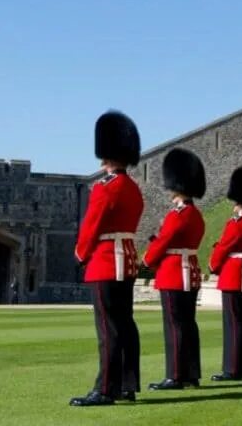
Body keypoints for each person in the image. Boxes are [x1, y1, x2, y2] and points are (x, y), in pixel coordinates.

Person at [69, 110, 145, 407]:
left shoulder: (105, 189)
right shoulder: (134, 189)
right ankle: (127, 384)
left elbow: (91, 227)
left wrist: (79, 254)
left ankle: (105, 388)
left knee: (107, 328)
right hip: (126, 260)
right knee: (125, 324)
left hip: (104, 260)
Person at [143, 147, 207, 391]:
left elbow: (164, 242)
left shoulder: (177, 215)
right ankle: (191, 373)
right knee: (188, 324)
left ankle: (176, 375)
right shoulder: (196, 215)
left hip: (173, 273)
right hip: (189, 271)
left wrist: (147, 261)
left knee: (175, 325)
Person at [209, 166, 242, 382]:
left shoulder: (238, 223)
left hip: (234, 275)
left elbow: (224, 247)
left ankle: (232, 368)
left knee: (233, 323)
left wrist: (213, 265)